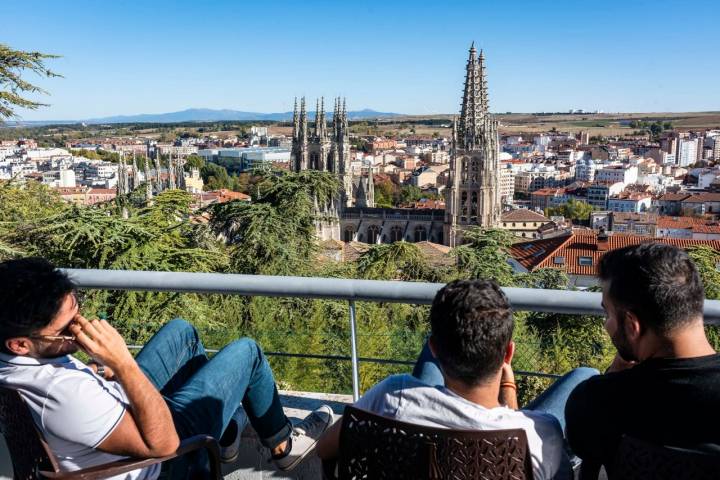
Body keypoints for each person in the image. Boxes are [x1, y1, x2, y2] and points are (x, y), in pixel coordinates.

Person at [0, 258, 333, 479]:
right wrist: (122, 362)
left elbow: (74, 403)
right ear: (20, 343)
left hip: (108, 412)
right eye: (67, 326)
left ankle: (228, 434)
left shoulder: (17, 361)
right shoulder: (65, 394)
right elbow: (164, 446)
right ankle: (283, 445)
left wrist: (96, 371)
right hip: (165, 460)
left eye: (79, 309)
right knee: (247, 352)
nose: (81, 325)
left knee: (181, 333)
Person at [317, 278, 598, 480]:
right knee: (587, 375)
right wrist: (508, 387)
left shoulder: (394, 394)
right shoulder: (539, 433)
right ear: (508, 353)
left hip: (417, 440)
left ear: (434, 349)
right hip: (506, 443)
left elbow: (325, 448)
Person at [565, 243, 720, 471]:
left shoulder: (597, 400)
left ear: (632, 324)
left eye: (607, 313)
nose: (606, 324)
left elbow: (581, 446)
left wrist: (613, 376)